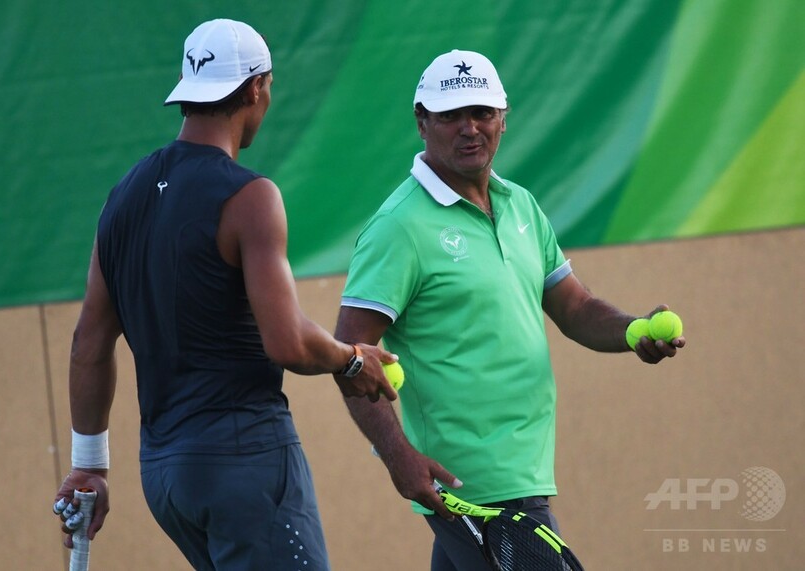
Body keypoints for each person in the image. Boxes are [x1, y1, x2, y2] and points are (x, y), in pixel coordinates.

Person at [52, 18, 398, 571]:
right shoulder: (251, 196)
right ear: (258, 87)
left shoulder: (121, 198)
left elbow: (87, 344)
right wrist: (352, 359)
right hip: (244, 464)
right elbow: (286, 341)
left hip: (167, 478)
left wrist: (89, 465)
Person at [333, 49, 686, 570]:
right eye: (450, 115)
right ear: (421, 122)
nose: (469, 127)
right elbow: (350, 358)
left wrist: (633, 331)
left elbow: (575, 307)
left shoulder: (521, 205)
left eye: (481, 112)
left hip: (524, 473)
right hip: (471, 488)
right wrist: (398, 458)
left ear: (503, 118)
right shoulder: (398, 227)